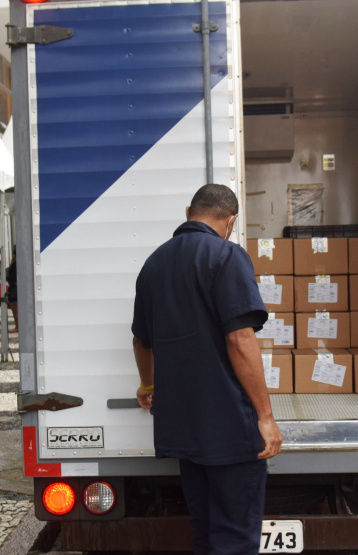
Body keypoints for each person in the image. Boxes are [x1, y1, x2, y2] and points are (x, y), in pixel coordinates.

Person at [130, 184, 282, 555]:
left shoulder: (154, 263)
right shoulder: (227, 256)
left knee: (206, 532)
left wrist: (147, 384)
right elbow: (240, 339)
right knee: (235, 536)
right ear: (230, 221)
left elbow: (141, 340)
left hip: (183, 427)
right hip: (229, 426)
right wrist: (265, 416)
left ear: (188, 212)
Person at [6, 247, 18, 334]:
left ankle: (18, 326)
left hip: (15, 290)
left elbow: (11, 278)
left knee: (15, 309)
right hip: (18, 289)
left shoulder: (14, 265)